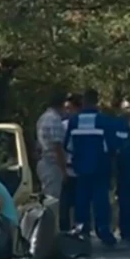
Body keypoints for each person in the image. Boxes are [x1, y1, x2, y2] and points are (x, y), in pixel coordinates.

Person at [63, 88, 117, 246]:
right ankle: (104, 232)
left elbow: (68, 145)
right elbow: (112, 145)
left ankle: (82, 230)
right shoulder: (104, 120)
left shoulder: (74, 121)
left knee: (82, 199)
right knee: (101, 200)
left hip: (81, 167)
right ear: (97, 101)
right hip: (101, 166)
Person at [111, 101, 130, 246]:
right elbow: (114, 145)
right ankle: (125, 232)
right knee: (124, 200)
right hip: (123, 167)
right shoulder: (117, 124)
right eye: (126, 107)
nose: (129, 110)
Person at [35, 92, 68, 201]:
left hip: (43, 162)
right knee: (53, 200)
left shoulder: (43, 118)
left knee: (47, 196)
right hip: (52, 165)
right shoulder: (55, 120)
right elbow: (57, 146)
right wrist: (64, 170)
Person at [59, 93, 83, 232]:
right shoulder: (62, 125)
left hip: (78, 167)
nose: (67, 112)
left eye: (70, 108)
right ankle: (65, 228)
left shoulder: (80, 124)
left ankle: (78, 228)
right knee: (65, 202)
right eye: (65, 108)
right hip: (66, 166)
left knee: (79, 201)